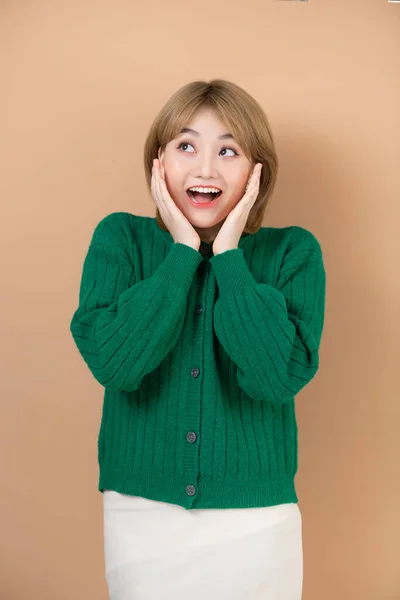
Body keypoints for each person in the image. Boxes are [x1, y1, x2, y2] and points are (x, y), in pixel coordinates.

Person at [69, 78, 326, 600]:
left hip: (256, 522)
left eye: (227, 150)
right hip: (143, 515)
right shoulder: (120, 240)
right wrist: (184, 251)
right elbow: (116, 364)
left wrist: (228, 256)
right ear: (158, 161)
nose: (205, 168)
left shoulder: (292, 253)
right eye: (186, 146)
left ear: (258, 171)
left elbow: (278, 377)